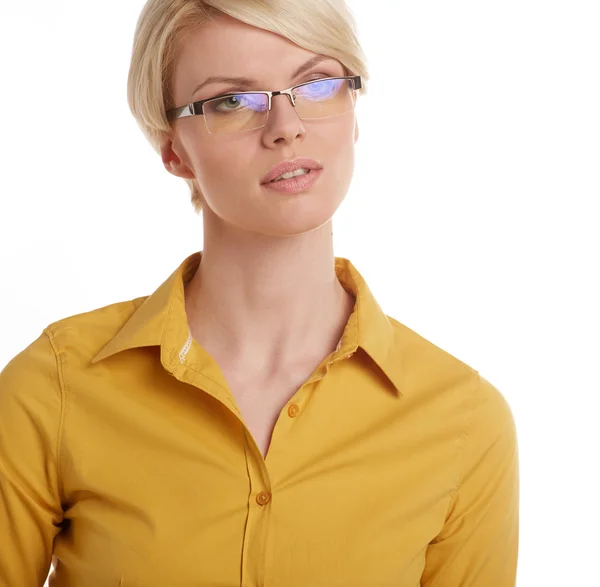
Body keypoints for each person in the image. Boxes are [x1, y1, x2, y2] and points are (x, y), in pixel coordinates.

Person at [0, 0, 519, 585]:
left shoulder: (463, 422)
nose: (285, 127)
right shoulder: (55, 388)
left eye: (317, 83)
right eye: (230, 101)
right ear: (173, 148)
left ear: (355, 112)